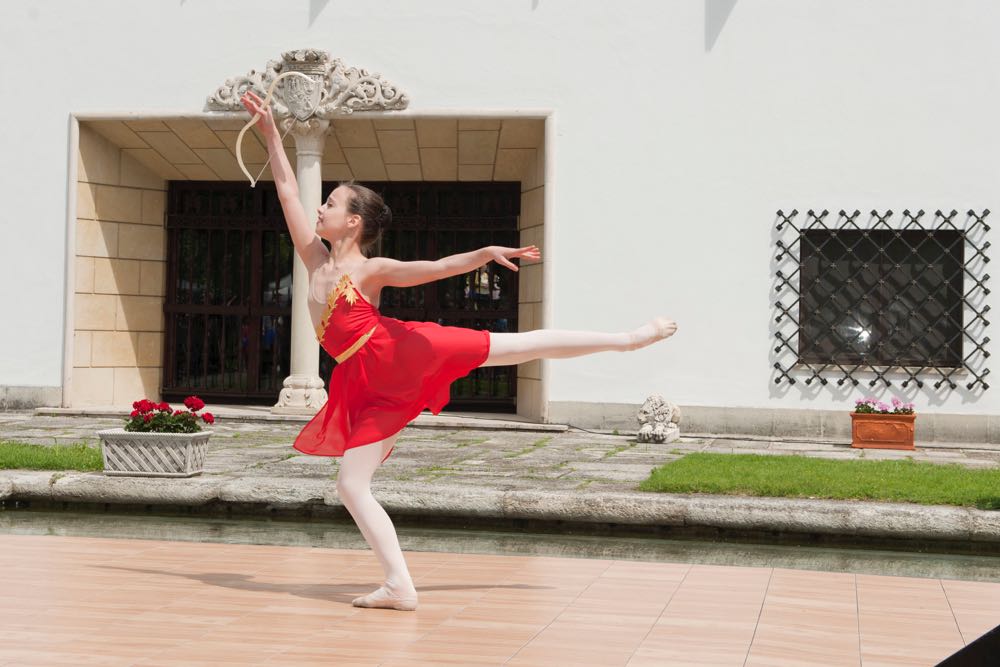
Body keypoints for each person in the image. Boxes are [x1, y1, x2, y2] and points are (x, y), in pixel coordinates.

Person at [239, 90, 678, 611]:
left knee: (517, 346)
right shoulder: (315, 261)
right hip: (362, 382)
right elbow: (288, 190)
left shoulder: (369, 271)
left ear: (353, 222)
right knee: (351, 487)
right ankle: (399, 585)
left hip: (404, 352)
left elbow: (436, 268)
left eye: (331, 203)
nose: (320, 207)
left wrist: (484, 254)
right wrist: (270, 131)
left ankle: (629, 339)